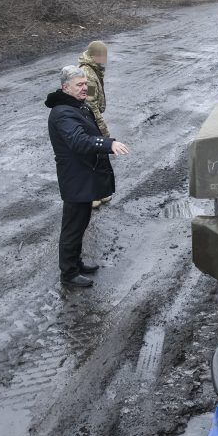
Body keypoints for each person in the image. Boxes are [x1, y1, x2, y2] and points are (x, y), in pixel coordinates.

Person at [45, 65, 130, 288]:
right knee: (72, 227)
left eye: (85, 84)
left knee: (81, 223)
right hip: (75, 177)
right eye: (79, 85)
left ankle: (76, 263)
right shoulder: (62, 112)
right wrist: (107, 144)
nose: (85, 88)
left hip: (83, 174)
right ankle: (68, 274)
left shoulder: (77, 106)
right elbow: (78, 141)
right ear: (65, 87)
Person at [78, 40, 111, 208]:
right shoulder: (87, 74)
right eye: (102, 55)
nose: (105, 59)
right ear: (94, 56)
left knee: (99, 157)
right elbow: (89, 103)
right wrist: (101, 126)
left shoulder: (94, 69)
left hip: (91, 118)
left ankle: (100, 191)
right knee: (90, 158)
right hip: (88, 120)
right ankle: (91, 195)